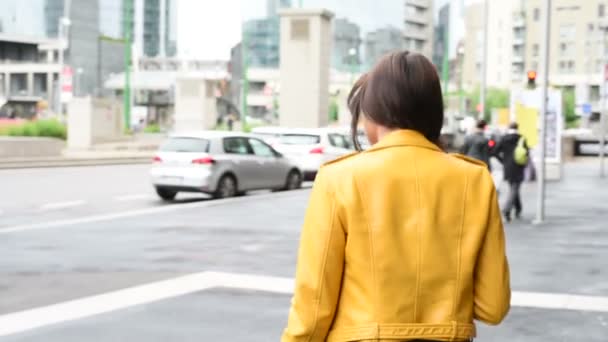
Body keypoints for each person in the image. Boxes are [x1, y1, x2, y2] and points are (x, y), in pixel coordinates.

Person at [282, 51, 510, 342]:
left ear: (374, 111)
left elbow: (312, 308)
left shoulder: (339, 178)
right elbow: (493, 307)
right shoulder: (474, 179)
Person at [494, 122, 529, 222]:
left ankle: (518, 209)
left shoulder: (504, 138)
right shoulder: (521, 138)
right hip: (518, 166)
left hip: (507, 166)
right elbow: (526, 153)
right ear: (517, 128)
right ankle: (507, 209)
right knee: (514, 188)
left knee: (513, 187)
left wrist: (503, 161)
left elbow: (494, 151)